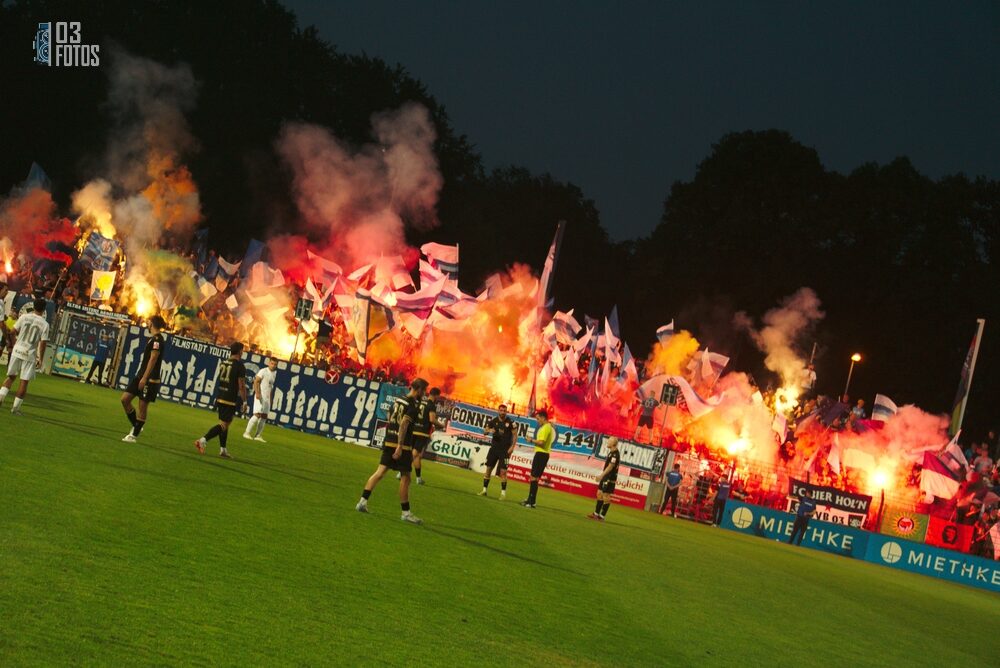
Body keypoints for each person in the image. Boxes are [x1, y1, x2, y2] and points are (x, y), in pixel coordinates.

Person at [355, 378, 426, 524]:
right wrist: (400, 445)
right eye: (423, 390)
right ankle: (406, 513)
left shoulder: (399, 400)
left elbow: (390, 415)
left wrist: (392, 432)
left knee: (379, 472)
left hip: (388, 440)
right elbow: (404, 425)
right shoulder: (412, 405)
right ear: (418, 389)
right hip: (402, 445)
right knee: (406, 477)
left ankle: (362, 502)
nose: (423, 393)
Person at [195, 342, 248, 459]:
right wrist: (244, 401)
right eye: (242, 350)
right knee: (224, 424)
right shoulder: (239, 365)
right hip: (229, 398)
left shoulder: (224, 362)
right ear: (240, 351)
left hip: (221, 395)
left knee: (224, 423)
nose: (243, 352)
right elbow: (241, 385)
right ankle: (202, 440)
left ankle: (223, 449)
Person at [121, 316, 167, 442]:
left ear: (152, 323)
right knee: (125, 399)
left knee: (142, 407)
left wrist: (145, 378)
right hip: (141, 375)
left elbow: (153, 359)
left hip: (150, 379)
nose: (147, 324)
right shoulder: (152, 339)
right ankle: (137, 426)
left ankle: (133, 436)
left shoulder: (158, 340)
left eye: (148, 322)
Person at [0, 298, 50, 415]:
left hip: (17, 350)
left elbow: (12, 331)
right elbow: (42, 343)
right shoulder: (44, 324)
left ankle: (1, 397)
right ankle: (15, 409)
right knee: (24, 381)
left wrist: (12, 341)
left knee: (11, 377)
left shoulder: (24, 317)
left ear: (33, 306)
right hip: (29, 353)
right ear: (44, 310)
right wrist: (40, 359)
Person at [403, 386, 442, 485]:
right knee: (415, 454)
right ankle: (404, 471)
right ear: (436, 395)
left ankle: (417, 478)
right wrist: (441, 425)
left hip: (414, 430)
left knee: (416, 455)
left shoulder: (421, 402)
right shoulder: (431, 405)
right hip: (422, 432)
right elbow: (432, 419)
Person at [479, 403, 517, 499]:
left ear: (506, 412)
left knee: (503, 472)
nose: (503, 412)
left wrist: (512, 447)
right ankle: (484, 490)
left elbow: (515, 435)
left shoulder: (511, 422)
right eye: (501, 410)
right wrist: (488, 431)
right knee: (488, 470)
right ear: (498, 411)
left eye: (504, 411)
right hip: (494, 449)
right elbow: (485, 431)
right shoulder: (493, 421)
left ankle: (503, 494)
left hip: (505, 451)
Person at [520, 409, 556, 508]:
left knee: (534, 478)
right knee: (534, 478)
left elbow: (541, 442)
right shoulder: (547, 427)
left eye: (538, 418)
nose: (537, 421)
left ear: (543, 418)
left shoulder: (545, 428)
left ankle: (531, 502)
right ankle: (531, 500)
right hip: (542, 454)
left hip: (541, 454)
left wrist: (531, 440)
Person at [244, 356, 277, 442]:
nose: (273, 365)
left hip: (267, 398)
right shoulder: (263, 371)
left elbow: (270, 387)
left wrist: (271, 399)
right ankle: (246, 433)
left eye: (275, 364)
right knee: (257, 414)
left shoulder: (274, 373)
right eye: (272, 363)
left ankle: (258, 435)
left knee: (264, 416)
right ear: (269, 363)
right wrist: (257, 393)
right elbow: (256, 381)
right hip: (260, 396)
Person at [589, 437, 621, 521]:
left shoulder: (615, 454)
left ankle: (602, 516)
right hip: (606, 476)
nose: (607, 442)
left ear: (613, 444)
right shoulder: (611, 452)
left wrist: (601, 475)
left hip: (610, 477)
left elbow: (610, 467)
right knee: (599, 493)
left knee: (606, 496)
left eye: (609, 441)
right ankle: (596, 514)